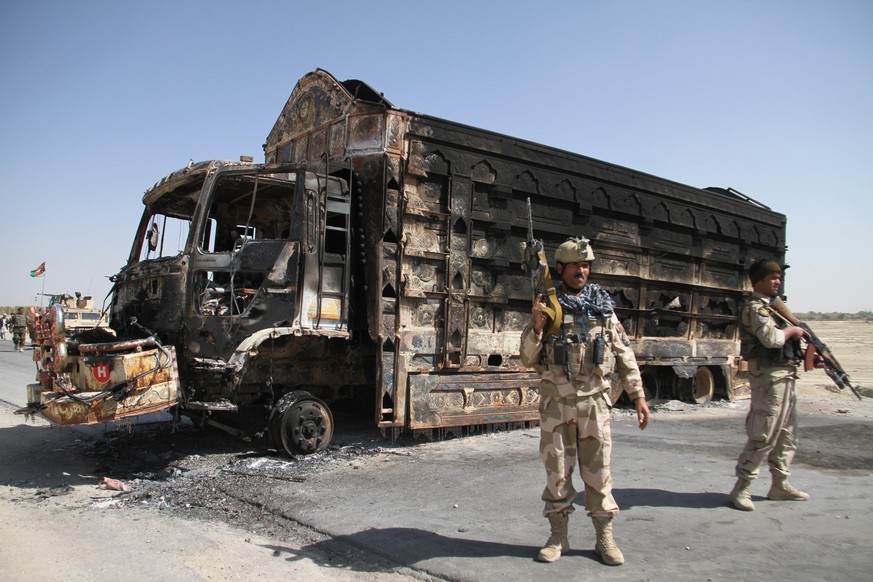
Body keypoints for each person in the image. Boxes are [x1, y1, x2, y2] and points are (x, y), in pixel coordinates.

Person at [520, 236, 650, 566]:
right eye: (577, 264)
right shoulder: (548, 306)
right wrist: (537, 325)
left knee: (599, 474)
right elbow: (526, 357)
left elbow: (624, 354)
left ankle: (604, 537)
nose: (583, 270)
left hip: (595, 404)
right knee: (557, 475)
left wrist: (638, 395)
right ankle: (557, 536)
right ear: (560, 268)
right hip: (557, 406)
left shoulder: (603, 309)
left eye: (587, 264)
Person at [729, 259, 809, 511]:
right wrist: (792, 332)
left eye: (778, 277)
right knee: (763, 432)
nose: (777, 281)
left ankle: (779, 484)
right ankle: (741, 488)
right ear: (759, 281)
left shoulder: (773, 308)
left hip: (785, 376)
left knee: (787, 435)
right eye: (772, 277)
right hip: (769, 378)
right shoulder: (755, 308)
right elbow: (772, 339)